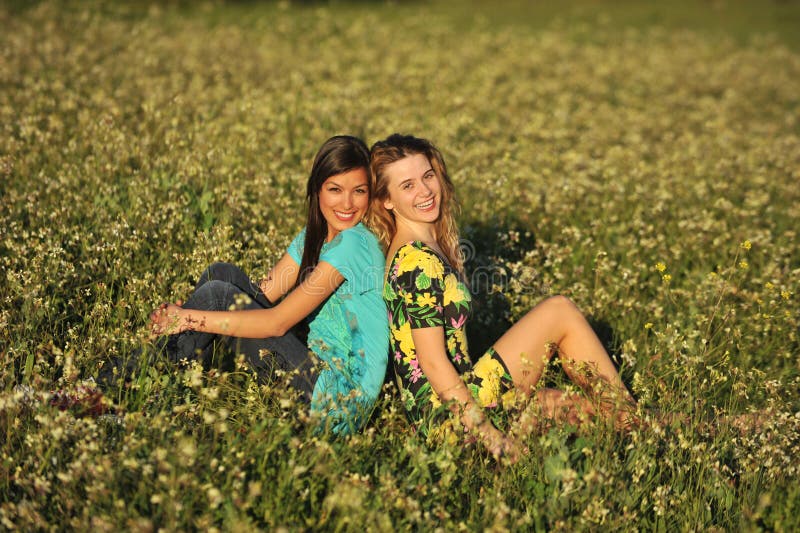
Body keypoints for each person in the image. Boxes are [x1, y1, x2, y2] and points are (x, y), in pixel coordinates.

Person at [367, 133, 638, 459]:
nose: (425, 191)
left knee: (555, 403)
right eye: (407, 185)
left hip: (450, 405)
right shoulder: (416, 261)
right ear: (387, 200)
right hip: (447, 420)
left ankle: (646, 426)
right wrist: (490, 437)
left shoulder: (424, 244)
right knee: (559, 310)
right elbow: (433, 363)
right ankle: (637, 418)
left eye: (427, 176)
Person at [148, 135, 389, 435]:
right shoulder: (316, 234)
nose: (347, 203)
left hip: (335, 399)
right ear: (317, 189)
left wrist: (186, 318)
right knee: (220, 274)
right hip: (314, 365)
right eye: (335, 190)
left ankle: (130, 383)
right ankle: (174, 378)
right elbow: (265, 293)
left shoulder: (354, 243)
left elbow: (275, 323)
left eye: (359, 191)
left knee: (218, 295)